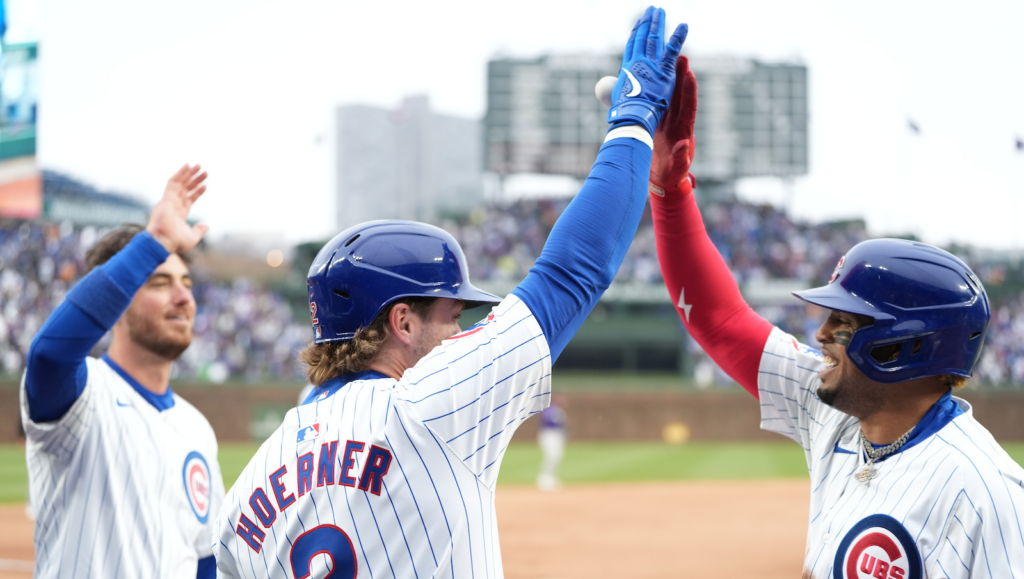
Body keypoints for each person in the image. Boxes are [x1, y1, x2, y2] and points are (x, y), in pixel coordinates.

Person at [212, 7, 688, 577]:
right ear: (403, 323)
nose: (460, 331)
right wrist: (633, 119)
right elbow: (574, 269)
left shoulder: (244, 496)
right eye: (451, 314)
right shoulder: (429, 406)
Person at [647, 66, 1024, 577]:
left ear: (902, 346)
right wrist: (670, 191)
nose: (821, 335)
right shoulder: (838, 411)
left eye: (845, 322)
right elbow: (720, 320)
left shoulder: (988, 492)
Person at [21, 165, 224, 578]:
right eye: (159, 282)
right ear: (118, 299)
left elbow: (205, 559)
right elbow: (49, 356)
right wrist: (155, 241)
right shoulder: (83, 396)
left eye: (186, 282)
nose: (184, 297)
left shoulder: (196, 427)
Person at [536, 394, 567, 491]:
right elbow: (549, 422)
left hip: (557, 435)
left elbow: (563, 424)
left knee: (557, 455)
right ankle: (543, 478)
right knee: (551, 455)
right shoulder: (549, 409)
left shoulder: (559, 410)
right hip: (548, 434)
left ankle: (551, 477)